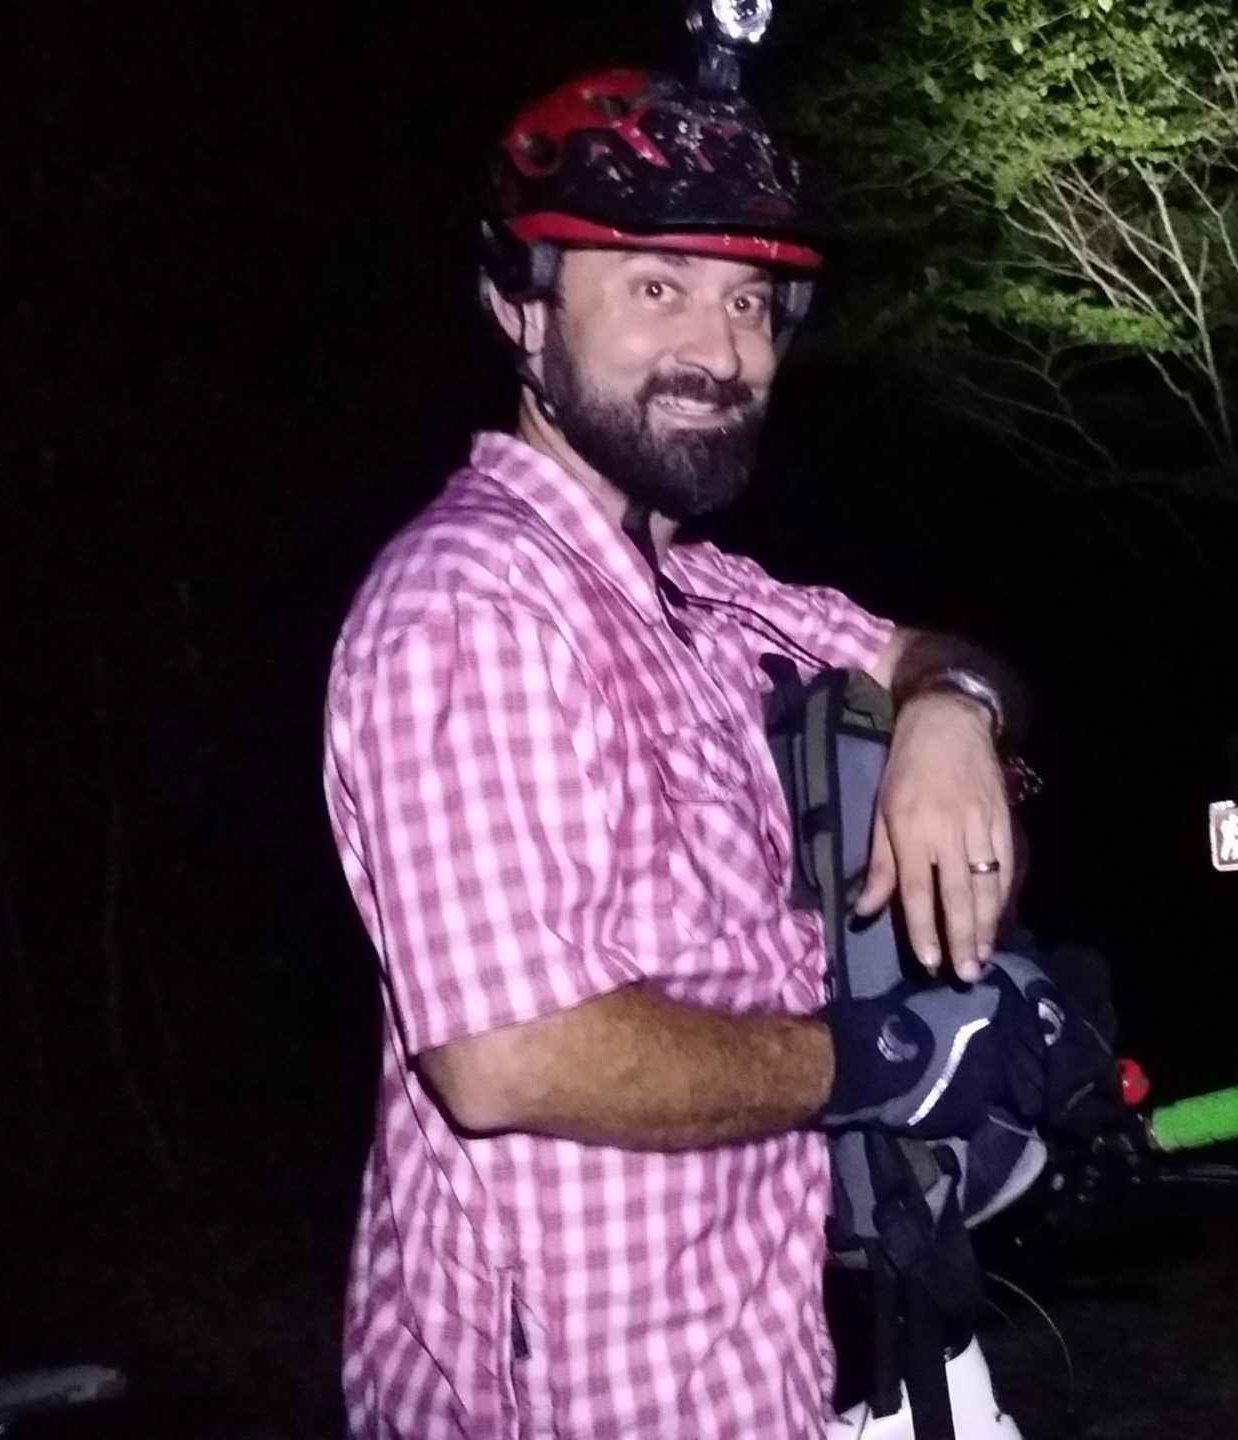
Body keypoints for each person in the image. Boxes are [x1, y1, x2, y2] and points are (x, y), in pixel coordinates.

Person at [320, 66, 1050, 1440]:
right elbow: (511, 1057)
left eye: (752, 302)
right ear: (521, 312)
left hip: (755, 1382)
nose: (721, 351)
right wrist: (886, 1059)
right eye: (658, 288)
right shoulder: (474, 602)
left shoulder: (702, 595)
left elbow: (933, 652)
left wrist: (952, 714)